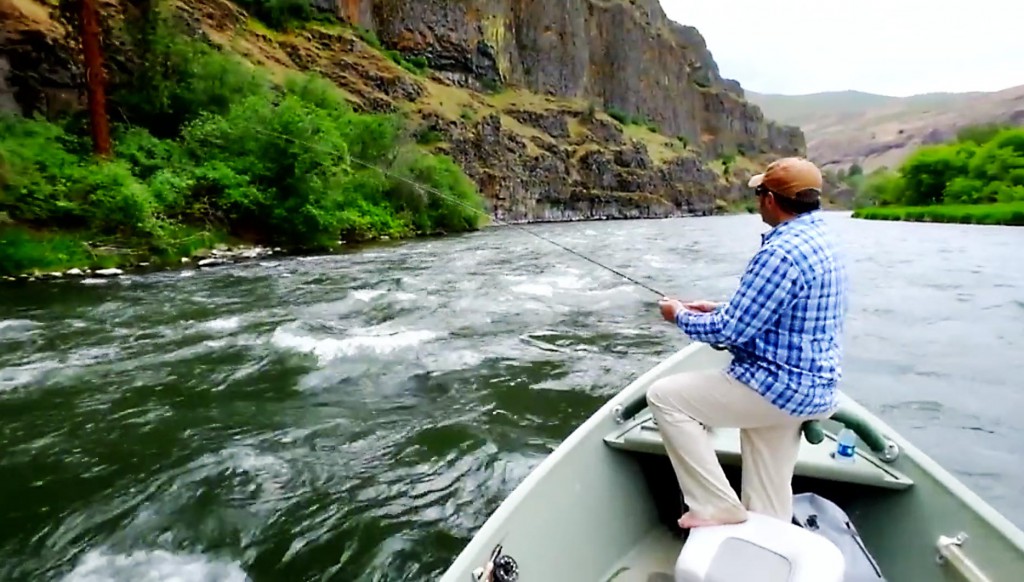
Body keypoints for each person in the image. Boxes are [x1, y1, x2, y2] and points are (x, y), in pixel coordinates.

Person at [650, 156, 848, 529]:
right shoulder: (823, 239)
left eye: (759, 194)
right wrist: (717, 308)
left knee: (665, 397)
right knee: (769, 498)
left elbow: (729, 332)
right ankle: (768, 545)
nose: (757, 201)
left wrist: (678, 315)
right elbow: (782, 312)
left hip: (774, 387)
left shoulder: (780, 252)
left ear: (771, 199)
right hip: (810, 388)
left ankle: (714, 505)